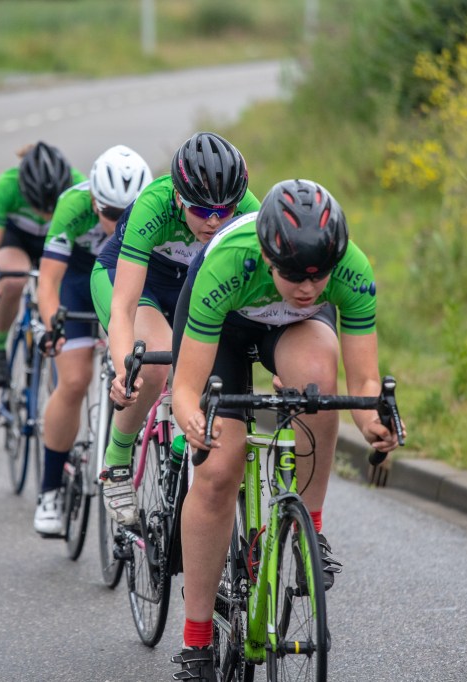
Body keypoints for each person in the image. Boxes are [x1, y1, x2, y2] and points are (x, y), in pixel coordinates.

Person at [169, 178, 404, 679]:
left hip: (289, 330)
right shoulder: (231, 260)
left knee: (320, 382)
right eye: (295, 276)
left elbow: (361, 382)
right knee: (219, 467)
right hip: (223, 329)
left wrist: (372, 424)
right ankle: (196, 642)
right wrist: (192, 419)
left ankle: (309, 530)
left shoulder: (350, 270)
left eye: (319, 279)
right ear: (268, 254)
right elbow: (186, 390)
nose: (308, 289)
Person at [89, 131, 259, 527]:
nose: (215, 220)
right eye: (201, 210)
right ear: (179, 197)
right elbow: (124, 305)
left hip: (190, 284)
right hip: (132, 279)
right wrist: (123, 370)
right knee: (153, 363)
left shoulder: (249, 210)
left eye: (225, 209)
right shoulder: (153, 204)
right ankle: (116, 460)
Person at [30, 145, 153, 535]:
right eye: (111, 215)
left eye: (126, 214)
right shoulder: (72, 207)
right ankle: (49, 490)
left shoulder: (150, 212)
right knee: (74, 380)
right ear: (93, 200)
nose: (118, 225)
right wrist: (54, 327)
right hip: (79, 285)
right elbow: (48, 281)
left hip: (129, 281)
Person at [0, 141, 85, 389]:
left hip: (59, 242)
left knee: (64, 288)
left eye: (52, 207)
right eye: (39, 206)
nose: (46, 215)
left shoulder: (79, 186)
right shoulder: (7, 185)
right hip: (18, 241)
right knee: (13, 279)